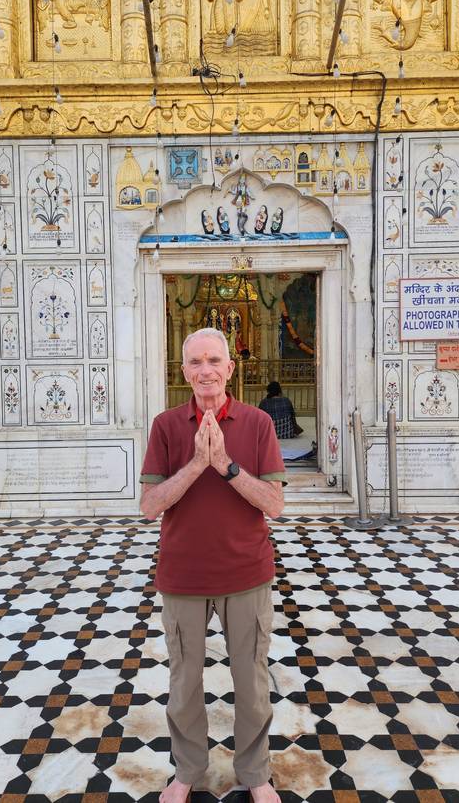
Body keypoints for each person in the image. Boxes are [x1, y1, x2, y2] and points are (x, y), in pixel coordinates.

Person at [140, 328, 286, 803]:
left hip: (246, 574)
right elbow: (149, 504)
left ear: (230, 368)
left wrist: (224, 463)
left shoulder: (258, 423)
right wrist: (195, 465)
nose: (205, 370)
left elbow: (274, 503)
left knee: (252, 681)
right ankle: (187, 771)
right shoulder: (165, 426)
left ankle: (256, 773)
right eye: (195, 362)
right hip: (182, 576)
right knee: (184, 682)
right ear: (184, 372)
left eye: (214, 361)